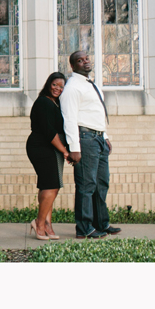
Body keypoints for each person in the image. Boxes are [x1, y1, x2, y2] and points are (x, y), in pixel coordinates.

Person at [59, 50, 122, 240]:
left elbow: (96, 112)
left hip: (99, 139)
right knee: (86, 185)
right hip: (85, 140)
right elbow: (69, 119)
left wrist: (106, 136)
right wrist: (74, 148)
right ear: (73, 66)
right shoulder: (72, 88)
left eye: (86, 58)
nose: (85, 62)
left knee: (101, 183)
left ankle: (101, 223)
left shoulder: (89, 84)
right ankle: (84, 228)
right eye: (80, 60)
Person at [25, 72, 72, 241]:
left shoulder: (56, 103)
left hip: (51, 147)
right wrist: (65, 151)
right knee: (51, 185)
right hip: (42, 146)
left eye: (61, 86)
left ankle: (47, 224)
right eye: (55, 85)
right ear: (48, 84)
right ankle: (39, 223)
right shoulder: (43, 102)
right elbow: (49, 132)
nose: (58, 89)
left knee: (50, 185)